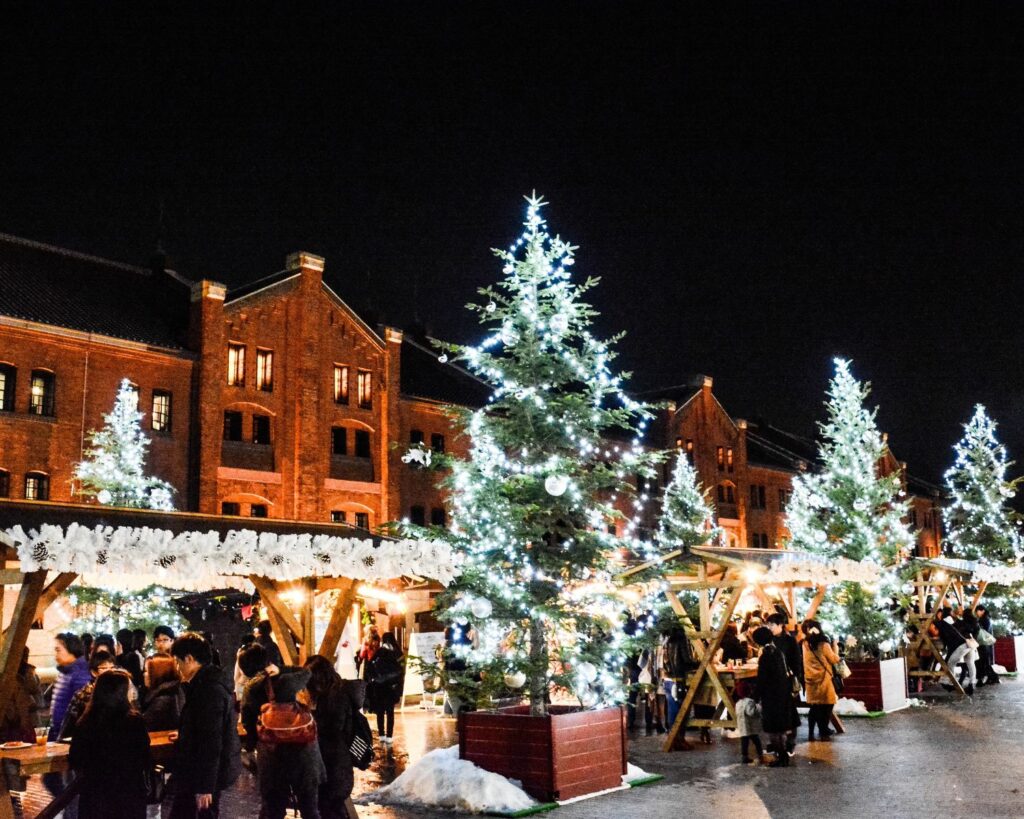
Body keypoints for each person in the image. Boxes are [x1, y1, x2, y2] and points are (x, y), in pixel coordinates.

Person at [170, 632, 241, 818]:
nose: (177, 667)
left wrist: (204, 787)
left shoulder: (208, 690)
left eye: (178, 661)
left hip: (201, 775)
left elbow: (211, 741)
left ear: (189, 659)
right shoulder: (206, 683)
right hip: (202, 772)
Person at [69, 669, 151, 819]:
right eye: (129, 687)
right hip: (128, 796)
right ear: (120, 693)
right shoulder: (133, 722)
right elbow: (145, 757)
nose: (132, 690)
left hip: (94, 797)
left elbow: (76, 759)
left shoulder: (85, 722)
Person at [256, 666, 325, 819]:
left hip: (273, 766)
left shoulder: (258, 688)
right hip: (305, 765)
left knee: (273, 812)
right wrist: (281, 668)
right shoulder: (288, 681)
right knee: (310, 811)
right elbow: (307, 672)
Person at [304, 655, 359, 818]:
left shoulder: (335, 697)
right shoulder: (334, 693)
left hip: (333, 764)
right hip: (337, 764)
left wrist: (310, 719)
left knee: (330, 807)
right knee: (332, 807)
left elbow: (333, 728)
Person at [753, 626, 791, 767]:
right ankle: (783, 755)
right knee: (780, 728)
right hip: (782, 693)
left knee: (773, 729)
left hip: (771, 696)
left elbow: (762, 679)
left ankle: (781, 757)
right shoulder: (778, 652)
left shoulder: (766, 655)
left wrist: (755, 696)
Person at [59, 649, 117, 739]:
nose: (110, 671)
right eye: (104, 668)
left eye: (112, 667)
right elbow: (70, 724)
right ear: (94, 672)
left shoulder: (120, 689)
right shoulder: (83, 694)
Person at [767, 612, 802, 752]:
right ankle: (778, 742)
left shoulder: (790, 640)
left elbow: (796, 661)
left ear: (781, 625)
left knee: (789, 711)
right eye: (768, 624)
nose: (770, 627)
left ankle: (791, 740)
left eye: (772, 625)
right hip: (773, 682)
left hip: (786, 681)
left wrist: (795, 676)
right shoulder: (768, 640)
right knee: (776, 712)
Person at [801, 619, 840, 741]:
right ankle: (823, 729)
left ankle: (811, 732)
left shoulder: (805, 644)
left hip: (810, 679)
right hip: (824, 679)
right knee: (828, 704)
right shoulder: (824, 645)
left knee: (815, 706)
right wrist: (835, 646)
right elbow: (834, 659)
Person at [49, 633, 92, 740]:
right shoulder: (65, 672)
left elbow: (82, 708)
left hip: (70, 736)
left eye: (58, 650)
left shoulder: (80, 674)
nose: (56, 655)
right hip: (59, 732)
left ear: (71, 649)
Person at [365, 633, 404, 743]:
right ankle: (389, 736)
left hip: (379, 686)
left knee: (380, 711)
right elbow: (400, 671)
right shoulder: (397, 653)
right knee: (390, 712)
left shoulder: (378, 652)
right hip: (391, 687)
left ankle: (381, 734)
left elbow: (369, 668)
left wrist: (373, 680)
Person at [1, 647, 40, 743]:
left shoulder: (27, 671)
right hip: (13, 720)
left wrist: (27, 670)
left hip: (26, 719)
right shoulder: (7, 672)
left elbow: (34, 688)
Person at [936, 606, 975, 694]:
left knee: (951, 663)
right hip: (969, 642)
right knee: (970, 663)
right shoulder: (957, 620)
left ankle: (952, 684)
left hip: (961, 644)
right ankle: (972, 684)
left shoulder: (942, 622)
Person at [142, 655, 186, 731]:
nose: (144, 674)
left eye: (147, 671)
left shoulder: (163, 699)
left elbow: (144, 725)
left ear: (158, 674)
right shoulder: (170, 691)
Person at [733, 679, 763, 764]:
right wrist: (758, 707)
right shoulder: (749, 702)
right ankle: (760, 754)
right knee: (756, 741)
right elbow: (751, 712)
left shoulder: (738, 703)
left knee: (744, 742)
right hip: (750, 726)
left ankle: (744, 756)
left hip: (742, 726)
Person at [975, 604, 1000, 685]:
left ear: (982, 611)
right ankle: (991, 678)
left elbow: (982, 631)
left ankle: (993, 677)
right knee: (985, 663)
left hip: (984, 644)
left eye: (977, 611)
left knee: (984, 662)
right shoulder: (986, 619)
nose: (977, 613)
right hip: (986, 644)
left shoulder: (984, 619)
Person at [234, 634, 257, 703]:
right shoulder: (246, 653)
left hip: (240, 684)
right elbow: (245, 672)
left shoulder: (241, 652)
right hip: (245, 684)